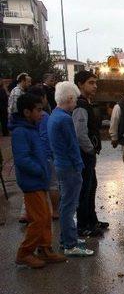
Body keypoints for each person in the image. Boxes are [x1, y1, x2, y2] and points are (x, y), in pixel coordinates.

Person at [10, 93, 67, 268]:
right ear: (27, 112)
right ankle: (25, 253)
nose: (42, 114)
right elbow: (22, 159)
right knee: (39, 219)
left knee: (45, 216)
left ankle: (45, 249)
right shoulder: (20, 132)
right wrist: (40, 171)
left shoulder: (32, 128)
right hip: (32, 182)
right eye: (39, 110)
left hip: (39, 181)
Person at [48, 81, 94, 257]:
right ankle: (70, 244)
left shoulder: (54, 115)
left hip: (60, 164)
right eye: (74, 100)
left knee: (65, 204)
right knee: (69, 205)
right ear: (69, 99)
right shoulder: (65, 119)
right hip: (69, 167)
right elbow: (73, 145)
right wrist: (79, 165)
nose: (75, 103)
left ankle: (66, 238)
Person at [74, 70, 108, 237]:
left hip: (87, 155)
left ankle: (92, 220)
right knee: (84, 190)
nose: (95, 86)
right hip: (84, 155)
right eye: (90, 83)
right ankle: (83, 225)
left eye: (95, 83)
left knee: (91, 186)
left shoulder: (86, 102)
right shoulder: (80, 105)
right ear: (80, 84)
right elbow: (80, 134)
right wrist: (90, 150)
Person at [28, 85, 60, 218]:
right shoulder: (44, 116)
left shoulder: (26, 117)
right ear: (42, 98)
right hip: (45, 155)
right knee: (53, 184)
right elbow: (47, 137)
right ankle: (55, 211)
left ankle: (27, 213)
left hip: (31, 156)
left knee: (32, 185)